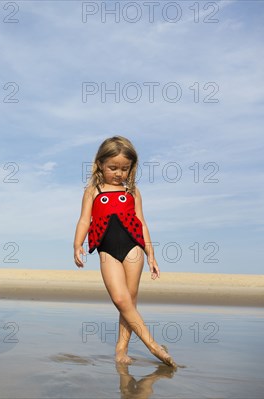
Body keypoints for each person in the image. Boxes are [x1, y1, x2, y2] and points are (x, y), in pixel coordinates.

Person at [73, 136, 176, 367]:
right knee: (120, 299)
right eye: (113, 168)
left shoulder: (133, 191)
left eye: (124, 169)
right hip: (107, 249)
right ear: (100, 164)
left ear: (131, 168)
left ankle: (121, 349)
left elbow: (142, 223)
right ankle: (153, 345)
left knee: (130, 300)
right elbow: (84, 221)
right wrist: (77, 244)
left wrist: (151, 254)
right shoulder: (93, 191)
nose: (119, 173)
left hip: (134, 248)